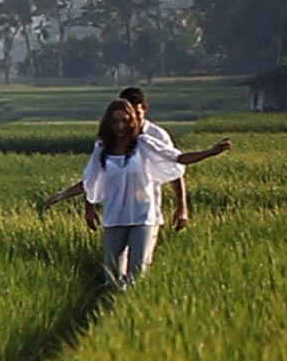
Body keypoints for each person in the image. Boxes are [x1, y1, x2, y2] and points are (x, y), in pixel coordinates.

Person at [55, 100, 232, 288]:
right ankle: (112, 309)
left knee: (137, 277)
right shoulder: (102, 149)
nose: (120, 126)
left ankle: (131, 312)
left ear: (132, 121)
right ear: (108, 123)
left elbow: (177, 158)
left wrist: (211, 152)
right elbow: (91, 181)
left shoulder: (144, 144)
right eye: (115, 122)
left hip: (143, 217)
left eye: (125, 121)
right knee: (112, 278)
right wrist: (63, 194)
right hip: (114, 218)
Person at [41, 86, 192, 227]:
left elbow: (174, 169)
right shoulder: (109, 139)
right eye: (126, 118)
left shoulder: (156, 136)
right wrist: (88, 205)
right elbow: (95, 176)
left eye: (136, 115)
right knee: (115, 255)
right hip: (115, 214)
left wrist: (182, 207)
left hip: (146, 211)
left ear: (144, 109)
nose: (131, 123)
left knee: (141, 255)